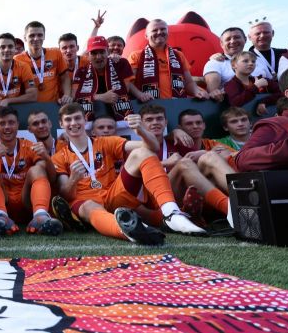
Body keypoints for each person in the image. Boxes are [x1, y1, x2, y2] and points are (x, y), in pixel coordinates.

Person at [52, 103, 206, 244]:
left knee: (141, 153)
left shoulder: (106, 142)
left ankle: (171, 212)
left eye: (77, 118)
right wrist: (73, 179)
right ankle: (131, 232)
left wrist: (141, 130)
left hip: (112, 196)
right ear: (61, 124)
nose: (73, 123)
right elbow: (66, 195)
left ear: (85, 120)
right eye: (68, 120)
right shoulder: (59, 157)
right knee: (89, 206)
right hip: (84, 201)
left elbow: (152, 147)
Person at [0, 107, 62, 236]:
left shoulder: (30, 146)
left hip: (26, 202)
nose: (7, 127)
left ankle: (40, 216)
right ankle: (1, 217)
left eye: (11, 122)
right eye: (2, 123)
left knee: (37, 169)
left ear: (18, 125)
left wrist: (47, 158)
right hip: (2, 201)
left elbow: (52, 178)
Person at [128, 19, 208, 99]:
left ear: (168, 33)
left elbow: (188, 83)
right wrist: (139, 94)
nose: (159, 32)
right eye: (154, 30)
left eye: (163, 29)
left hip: (177, 103)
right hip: (148, 104)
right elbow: (128, 82)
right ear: (146, 36)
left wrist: (197, 92)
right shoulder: (136, 56)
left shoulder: (179, 55)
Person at [72, 36, 145, 120]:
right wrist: (99, 97)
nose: (98, 57)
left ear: (108, 52)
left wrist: (140, 94)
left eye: (102, 52)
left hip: (122, 114)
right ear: (87, 56)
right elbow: (76, 96)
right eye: (94, 53)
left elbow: (127, 88)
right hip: (92, 118)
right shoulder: (81, 72)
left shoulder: (121, 63)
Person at [14, 21, 71, 104]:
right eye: (32, 35)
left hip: (52, 105)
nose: (36, 38)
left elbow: (65, 77)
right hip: (27, 107)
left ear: (44, 36)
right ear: (25, 38)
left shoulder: (56, 53)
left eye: (40, 35)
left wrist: (67, 95)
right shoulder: (17, 59)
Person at [0, 33, 37, 106]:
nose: (6, 50)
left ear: (14, 49)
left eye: (10, 46)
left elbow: (33, 96)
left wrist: (8, 101)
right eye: (2, 47)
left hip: (17, 109)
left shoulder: (23, 67)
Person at [224, 51, 280, 115]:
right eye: (245, 61)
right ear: (234, 65)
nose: (251, 63)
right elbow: (235, 103)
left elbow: (283, 93)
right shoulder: (230, 85)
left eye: (253, 61)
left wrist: (264, 102)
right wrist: (256, 86)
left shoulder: (262, 80)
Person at [203, 27, 249, 101]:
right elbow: (214, 92)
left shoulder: (257, 60)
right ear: (221, 44)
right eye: (228, 39)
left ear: (245, 39)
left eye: (237, 37)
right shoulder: (215, 63)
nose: (232, 41)